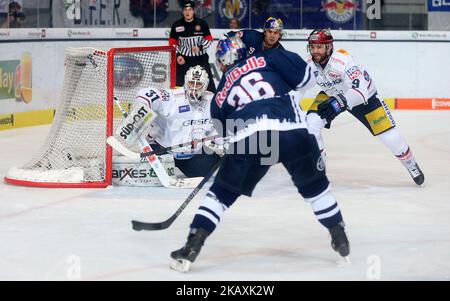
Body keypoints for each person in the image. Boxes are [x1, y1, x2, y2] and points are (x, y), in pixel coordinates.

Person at [169, 36, 350, 272]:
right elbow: (307, 79)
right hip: (292, 131)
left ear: (222, 62)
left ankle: (192, 246)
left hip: (251, 139)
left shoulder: (222, 89)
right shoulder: (270, 57)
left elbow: (224, 130)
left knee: (220, 195)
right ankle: (340, 237)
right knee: (316, 190)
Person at [305, 29, 425, 186]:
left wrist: (337, 103)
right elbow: (298, 85)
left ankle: (411, 164)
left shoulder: (343, 61)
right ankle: (318, 171)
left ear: (329, 47)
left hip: (364, 98)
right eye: (312, 47)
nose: (315, 51)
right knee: (311, 123)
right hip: (331, 94)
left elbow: (359, 91)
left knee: (391, 138)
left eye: (319, 47)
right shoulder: (309, 63)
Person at [122, 65, 221, 178]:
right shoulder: (173, 97)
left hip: (193, 156)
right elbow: (148, 93)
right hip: (163, 151)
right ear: (185, 82)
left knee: (213, 167)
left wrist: (223, 144)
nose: (194, 88)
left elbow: (218, 126)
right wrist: (140, 113)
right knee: (151, 176)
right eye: (191, 83)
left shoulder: (212, 100)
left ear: (205, 85)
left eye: (198, 84)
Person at [169, 0, 216, 93]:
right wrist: (178, 55)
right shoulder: (176, 25)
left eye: (190, 9)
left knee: (209, 84)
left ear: (194, 11)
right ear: (182, 11)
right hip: (183, 59)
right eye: (185, 9)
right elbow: (172, 43)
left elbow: (209, 39)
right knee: (176, 84)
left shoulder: (202, 24)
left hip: (201, 59)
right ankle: (174, 102)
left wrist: (200, 47)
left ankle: (213, 102)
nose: (187, 12)